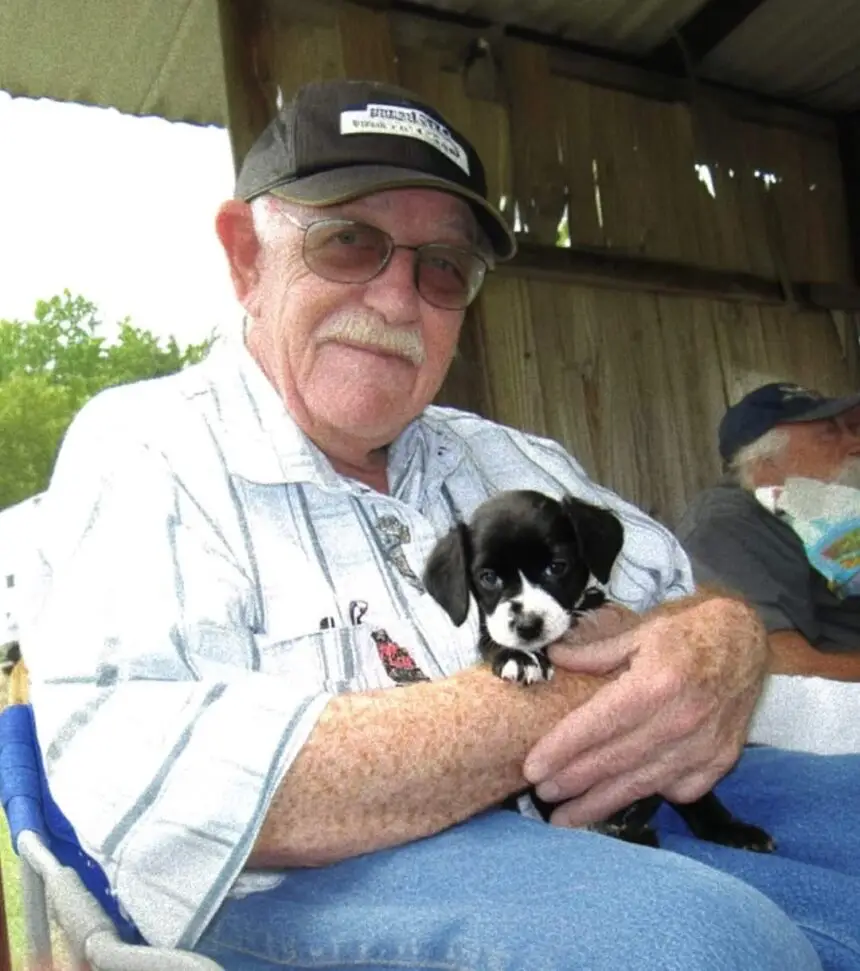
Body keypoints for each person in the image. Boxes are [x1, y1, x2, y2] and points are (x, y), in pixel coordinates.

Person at [19, 80, 860, 971]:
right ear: (246, 256)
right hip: (302, 876)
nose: (397, 299)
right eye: (350, 241)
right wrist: (578, 694)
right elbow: (160, 780)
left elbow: (689, 609)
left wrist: (723, 633)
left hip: (608, 804)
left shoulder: (517, 460)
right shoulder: (149, 447)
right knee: (701, 945)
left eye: (444, 267)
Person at [677, 382, 860, 680]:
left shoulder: (823, 509)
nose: (855, 443)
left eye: (853, 429)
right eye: (829, 434)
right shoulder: (726, 526)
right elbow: (783, 666)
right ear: (766, 463)